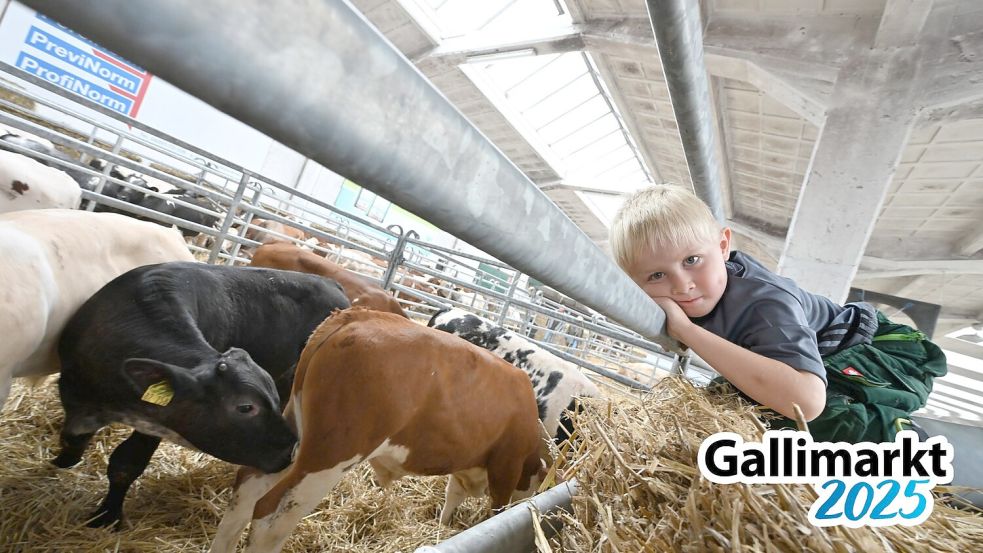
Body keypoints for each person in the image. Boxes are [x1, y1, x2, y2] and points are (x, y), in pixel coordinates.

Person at [609, 185, 947, 443]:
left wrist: (687, 331)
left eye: (692, 260)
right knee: (723, 402)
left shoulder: (765, 304)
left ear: (723, 246)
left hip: (879, 356)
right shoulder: (701, 291)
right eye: (657, 275)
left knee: (787, 418)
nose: (682, 286)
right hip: (819, 358)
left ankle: (901, 443)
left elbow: (806, 402)